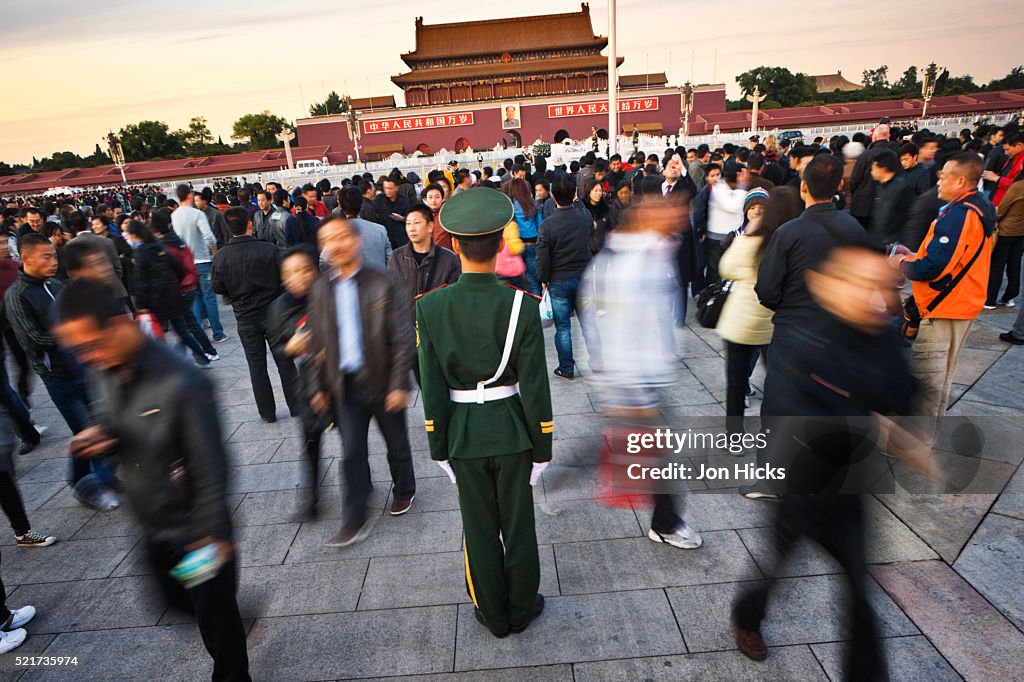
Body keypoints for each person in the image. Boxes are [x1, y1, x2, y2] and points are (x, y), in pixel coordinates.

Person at [52, 279, 251, 682]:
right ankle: (230, 609)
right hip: (151, 519)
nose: (87, 356)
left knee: (214, 616)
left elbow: (212, 466)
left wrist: (213, 534)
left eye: (91, 344)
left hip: (194, 525)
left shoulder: (181, 381)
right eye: (79, 349)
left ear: (119, 324)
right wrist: (104, 435)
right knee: (173, 599)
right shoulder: (104, 370)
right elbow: (113, 420)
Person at [732, 243, 914, 681]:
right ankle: (747, 615)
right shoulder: (801, 338)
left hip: (850, 490)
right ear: (825, 287)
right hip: (803, 484)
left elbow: (902, 394)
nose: (873, 297)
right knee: (775, 564)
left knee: (858, 593)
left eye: (882, 286)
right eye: (861, 284)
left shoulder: (882, 335)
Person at [416, 187, 552, 638]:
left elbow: (431, 387)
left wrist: (438, 445)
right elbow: (534, 386)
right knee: (519, 526)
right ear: (500, 244)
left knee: (478, 528)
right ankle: (520, 606)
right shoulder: (522, 306)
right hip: (513, 433)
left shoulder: (430, 307)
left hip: (463, 436)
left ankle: (494, 615)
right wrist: (542, 446)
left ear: (453, 245)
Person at [584, 198, 703, 550]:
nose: (679, 213)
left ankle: (664, 520)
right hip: (635, 381)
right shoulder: (622, 264)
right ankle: (665, 523)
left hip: (649, 377)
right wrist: (629, 392)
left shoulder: (655, 253)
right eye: (667, 210)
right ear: (644, 218)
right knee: (658, 457)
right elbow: (612, 327)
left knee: (653, 453)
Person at [748, 155, 865, 500]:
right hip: (839, 334)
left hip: (794, 334)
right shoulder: (853, 228)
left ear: (803, 188)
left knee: (780, 407)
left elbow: (766, 290)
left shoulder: (789, 232)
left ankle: (770, 480)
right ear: (839, 187)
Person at [308, 217, 417, 546]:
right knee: (352, 452)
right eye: (328, 240)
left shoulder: (383, 281)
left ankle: (404, 489)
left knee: (396, 445)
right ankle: (355, 517)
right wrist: (317, 387)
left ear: (355, 240)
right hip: (345, 384)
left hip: (384, 382)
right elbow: (317, 343)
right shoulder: (320, 288)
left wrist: (400, 383)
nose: (335, 245)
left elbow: (401, 338)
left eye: (341, 237)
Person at [3, 233, 117, 510]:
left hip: (83, 367)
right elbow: (32, 339)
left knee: (96, 427)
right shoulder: (17, 296)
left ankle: (93, 479)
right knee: (86, 429)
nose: (54, 262)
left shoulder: (56, 285)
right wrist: (75, 334)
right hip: (58, 376)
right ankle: (92, 484)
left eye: (54, 255)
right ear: (26, 259)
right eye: (46, 257)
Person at [891, 152, 995, 449]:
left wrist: (902, 264)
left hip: (945, 306)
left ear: (962, 181)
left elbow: (932, 268)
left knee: (929, 376)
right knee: (938, 374)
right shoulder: (974, 207)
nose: (939, 181)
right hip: (956, 304)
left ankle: (916, 441)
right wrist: (916, 257)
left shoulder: (962, 214)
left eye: (945, 176)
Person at [211, 207, 299, 422]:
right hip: (273, 313)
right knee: (285, 362)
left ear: (228, 228)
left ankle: (267, 413)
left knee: (256, 366)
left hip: (245, 316)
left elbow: (217, 287)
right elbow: (285, 278)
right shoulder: (269, 249)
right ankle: (297, 405)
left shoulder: (221, 257)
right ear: (250, 224)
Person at [716, 189, 785, 439]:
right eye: (752, 207)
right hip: (765, 323)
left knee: (739, 384)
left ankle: (735, 436)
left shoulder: (746, 239)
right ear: (745, 210)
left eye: (761, 207)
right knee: (770, 382)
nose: (756, 211)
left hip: (744, 323)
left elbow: (726, 268)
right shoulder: (780, 240)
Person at [269, 246, 330, 519]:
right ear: (284, 277)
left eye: (306, 269)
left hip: (339, 380)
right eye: (293, 272)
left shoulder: (330, 295)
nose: (301, 276)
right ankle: (312, 499)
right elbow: (278, 347)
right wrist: (290, 348)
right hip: (307, 386)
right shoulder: (279, 307)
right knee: (311, 441)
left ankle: (361, 482)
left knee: (354, 441)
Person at [122, 220, 212, 369]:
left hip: (155, 299)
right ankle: (202, 358)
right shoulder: (159, 246)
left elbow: (141, 280)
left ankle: (166, 364)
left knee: (158, 333)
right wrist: (173, 284)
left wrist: (141, 303)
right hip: (172, 295)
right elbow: (178, 268)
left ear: (134, 235)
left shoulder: (140, 252)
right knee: (182, 330)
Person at [387, 205, 460, 386]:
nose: (411, 228)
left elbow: (455, 299)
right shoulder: (396, 258)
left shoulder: (448, 259)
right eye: (408, 223)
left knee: (447, 384)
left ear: (429, 226)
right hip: (411, 337)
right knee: (425, 386)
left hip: (441, 335)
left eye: (417, 223)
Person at [537, 176, 592, 380]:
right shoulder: (583, 217)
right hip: (583, 277)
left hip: (559, 280)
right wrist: (577, 200)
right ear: (574, 193)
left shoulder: (547, 225)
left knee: (562, 327)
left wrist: (543, 279)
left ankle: (566, 367)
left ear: (552, 197)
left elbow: (542, 256)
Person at [150, 208, 219, 362]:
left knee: (186, 325)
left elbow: (170, 271)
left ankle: (203, 352)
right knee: (188, 323)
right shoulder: (177, 240)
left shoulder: (163, 247)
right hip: (189, 283)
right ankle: (204, 352)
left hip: (178, 289)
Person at [172, 185, 226, 343]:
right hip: (203, 260)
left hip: (186, 263)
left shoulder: (174, 215)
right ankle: (218, 333)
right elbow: (209, 237)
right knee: (209, 297)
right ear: (189, 195)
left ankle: (199, 332)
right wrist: (214, 251)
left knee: (194, 297)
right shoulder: (197, 214)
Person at [338, 187, 391, 271]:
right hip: (379, 280)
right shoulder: (380, 229)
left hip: (350, 281)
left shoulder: (336, 233)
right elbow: (390, 259)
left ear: (340, 206)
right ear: (361, 204)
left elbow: (324, 260)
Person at [868, 149, 914, 243]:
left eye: (874, 168)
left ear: (883, 168)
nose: (872, 172)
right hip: (879, 239)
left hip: (893, 241)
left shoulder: (902, 188)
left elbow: (900, 218)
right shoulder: (881, 185)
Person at [507, 178, 542, 295]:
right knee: (534, 279)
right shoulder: (534, 204)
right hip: (533, 243)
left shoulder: (511, 206)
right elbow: (540, 225)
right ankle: (537, 303)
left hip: (517, 245)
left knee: (519, 280)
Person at [372, 178, 411, 249]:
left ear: (397, 188)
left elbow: (410, 218)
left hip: (401, 238)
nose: (388, 191)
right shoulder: (379, 200)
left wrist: (402, 218)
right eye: (385, 188)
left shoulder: (404, 200)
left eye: (390, 188)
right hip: (385, 238)